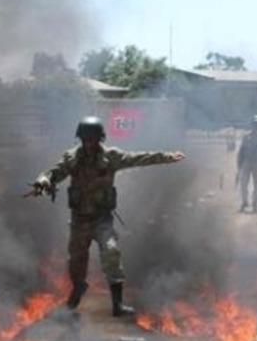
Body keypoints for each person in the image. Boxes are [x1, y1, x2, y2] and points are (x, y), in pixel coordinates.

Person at [31, 116, 185, 314]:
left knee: (111, 253)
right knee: (76, 262)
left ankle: (117, 304)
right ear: (80, 139)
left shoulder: (111, 156)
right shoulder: (72, 158)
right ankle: (77, 290)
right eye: (85, 139)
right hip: (79, 221)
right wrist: (42, 181)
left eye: (93, 139)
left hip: (102, 220)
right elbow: (54, 173)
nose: (89, 144)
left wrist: (166, 157)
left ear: (99, 139)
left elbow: (138, 158)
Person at [236, 115, 257, 213]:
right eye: (254, 124)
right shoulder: (247, 136)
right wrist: (239, 164)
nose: (256, 126)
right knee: (243, 183)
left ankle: (255, 204)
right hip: (247, 161)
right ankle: (245, 202)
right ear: (252, 125)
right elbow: (241, 151)